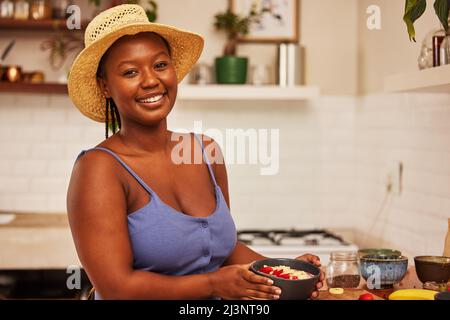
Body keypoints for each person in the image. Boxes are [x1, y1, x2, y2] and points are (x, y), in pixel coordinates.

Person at [66, 4, 324, 300]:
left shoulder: (204, 150)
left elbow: (224, 251)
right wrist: (214, 284)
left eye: (160, 65)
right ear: (106, 86)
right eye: (130, 71)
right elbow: (117, 288)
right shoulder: (100, 169)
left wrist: (282, 271)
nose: (151, 80)